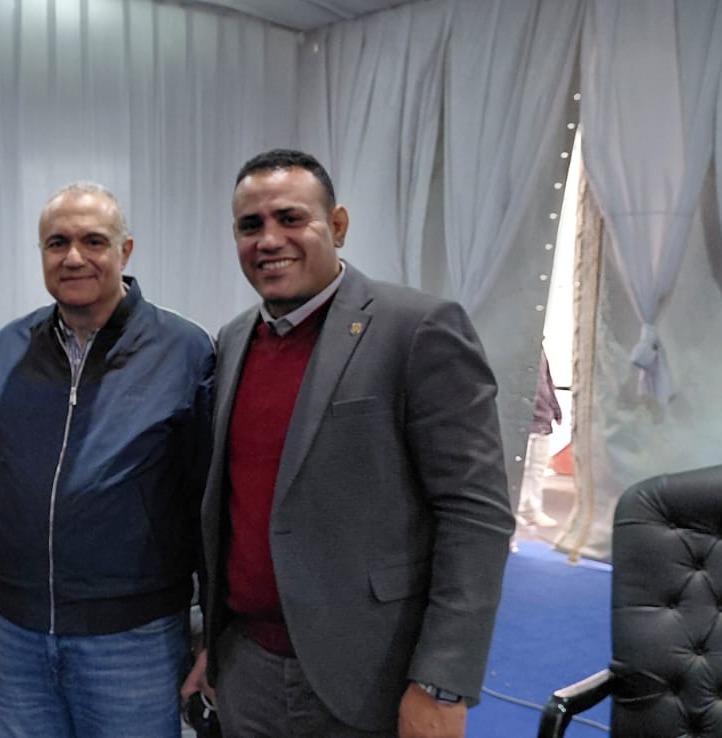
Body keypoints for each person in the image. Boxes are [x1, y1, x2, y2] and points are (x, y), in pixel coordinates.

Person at [182, 150, 512, 738]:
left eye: (290, 218)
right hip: (247, 669)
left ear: (337, 226)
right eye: (250, 225)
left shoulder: (418, 329)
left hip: (370, 675)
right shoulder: (232, 341)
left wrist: (442, 681)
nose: (269, 240)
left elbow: (475, 513)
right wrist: (215, 640)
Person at [0, 183, 214, 738]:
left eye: (93, 241)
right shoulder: (9, 347)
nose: (73, 257)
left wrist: (216, 635)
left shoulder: (184, 350)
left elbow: (210, 507)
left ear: (126, 250)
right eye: (57, 243)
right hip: (17, 636)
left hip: (133, 641)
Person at [517, 351, 564, 528]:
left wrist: (556, 410)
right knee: (521, 468)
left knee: (537, 469)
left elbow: (548, 381)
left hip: (543, 420)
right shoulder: (517, 349)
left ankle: (533, 510)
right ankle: (518, 509)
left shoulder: (540, 352)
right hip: (524, 420)